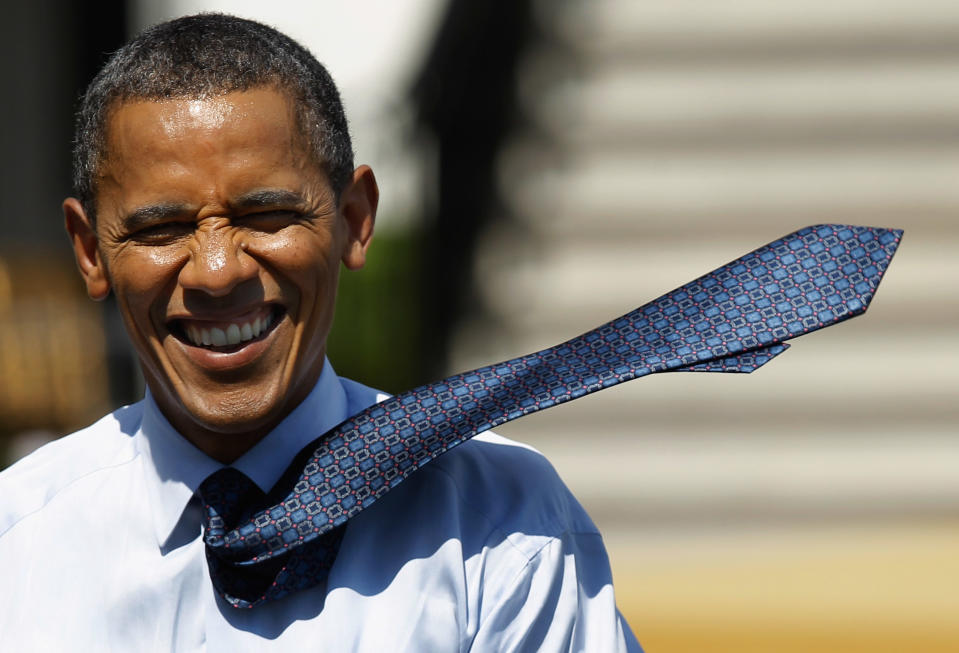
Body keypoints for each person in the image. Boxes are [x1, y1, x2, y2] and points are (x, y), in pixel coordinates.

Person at [0, 14, 640, 651]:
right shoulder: (19, 545)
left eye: (268, 214)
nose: (218, 274)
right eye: (161, 229)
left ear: (354, 220)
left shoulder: (500, 528)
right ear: (90, 252)